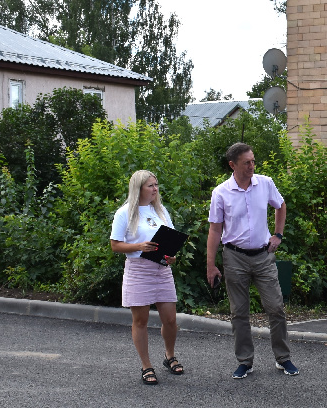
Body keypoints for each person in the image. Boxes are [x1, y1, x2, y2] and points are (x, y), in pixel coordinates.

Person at [206, 142, 299, 379]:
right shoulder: (221, 192)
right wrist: (211, 264)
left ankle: (283, 358)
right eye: (246, 162)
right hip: (234, 256)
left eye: (253, 161)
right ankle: (245, 361)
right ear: (232, 165)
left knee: (276, 307)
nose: (252, 166)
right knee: (239, 312)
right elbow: (215, 231)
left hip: (263, 255)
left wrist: (278, 234)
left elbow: (280, 205)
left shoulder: (265, 183)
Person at [110, 170, 183, 386]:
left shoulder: (160, 211)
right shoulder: (125, 213)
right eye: (150, 185)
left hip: (161, 269)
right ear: (139, 188)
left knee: (170, 319)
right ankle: (146, 365)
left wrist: (172, 257)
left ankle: (169, 355)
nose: (155, 189)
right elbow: (115, 245)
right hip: (139, 270)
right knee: (140, 320)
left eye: (156, 185)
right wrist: (138, 246)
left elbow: (171, 240)